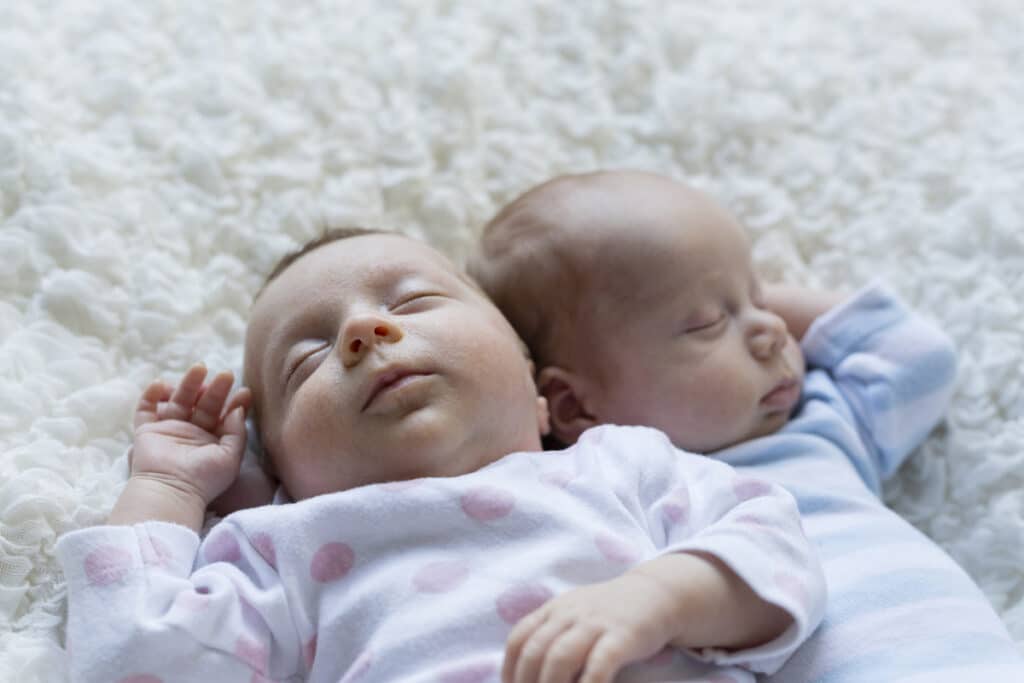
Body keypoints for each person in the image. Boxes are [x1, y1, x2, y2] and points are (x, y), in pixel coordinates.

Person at [56, 229, 826, 683]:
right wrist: (165, 485)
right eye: (308, 358)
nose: (363, 331)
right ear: (285, 472)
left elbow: (770, 544)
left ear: (535, 385)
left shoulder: (618, 464)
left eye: (412, 302)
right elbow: (135, 657)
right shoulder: (284, 548)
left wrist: (655, 599)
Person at [469, 169, 1024, 681]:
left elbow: (917, 357)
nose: (772, 331)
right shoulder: (599, 491)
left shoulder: (817, 426)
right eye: (708, 323)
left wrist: (726, 292)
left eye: (761, 297)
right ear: (573, 407)